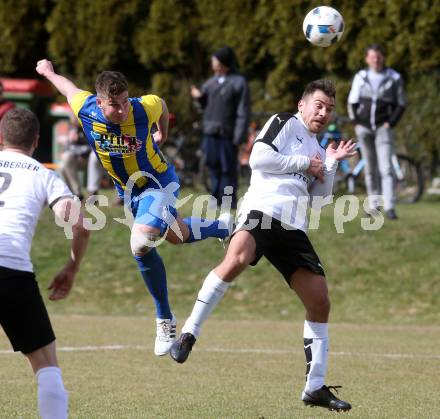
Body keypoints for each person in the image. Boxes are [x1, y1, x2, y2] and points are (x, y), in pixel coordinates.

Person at [170, 80, 356, 411]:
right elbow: (258, 158)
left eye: (329, 108)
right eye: (319, 105)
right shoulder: (284, 123)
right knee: (236, 259)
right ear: (302, 105)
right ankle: (188, 333)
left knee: (320, 301)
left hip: (293, 226)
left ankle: (314, 387)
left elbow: (320, 200)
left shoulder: (316, 147)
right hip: (263, 210)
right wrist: (305, 164)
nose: (324, 112)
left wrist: (329, 164)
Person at [36, 59, 233, 356]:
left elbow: (162, 105)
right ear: (100, 103)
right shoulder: (86, 108)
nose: (123, 109)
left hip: (159, 183)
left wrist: (162, 133)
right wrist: (48, 72)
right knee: (176, 235)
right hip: (129, 193)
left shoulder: (143, 108)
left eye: (125, 101)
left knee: (140, 242)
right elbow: (68, 88)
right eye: (115, 105)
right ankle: (226, 226)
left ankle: (164, 318)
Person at [0, 108, 90, 419]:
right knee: (46, 366)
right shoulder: (43, 174)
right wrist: (71, 268)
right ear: (37, 141)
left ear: (1, 138)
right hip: (12, 275)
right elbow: (81, 225)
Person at [347, 44, 406, 220]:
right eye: (372, 56)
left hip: (383, 128)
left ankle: (390, 207)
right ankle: (374, 205)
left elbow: (401, 103)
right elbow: (352, 103)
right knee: (370, 169)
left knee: (386, 168)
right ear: (367, 59)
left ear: (383, 58)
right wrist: (356, 123)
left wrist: (391, 122)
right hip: (364, 128)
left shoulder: (394, 77)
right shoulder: (361, 77)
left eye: (378, 56)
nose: (375, 59)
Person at [191, 46, 250, 209]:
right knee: (212, 165)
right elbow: (204, 107)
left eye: (215, 60)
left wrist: (239, 135)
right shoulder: (210, 83)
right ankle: (215, 199)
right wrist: (199, 98)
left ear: (224, 62)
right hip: (210, 132)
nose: (212, 63)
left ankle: (229, 200)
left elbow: (243, 111)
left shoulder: (239, 82)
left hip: (228, 133)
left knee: (228, 168)